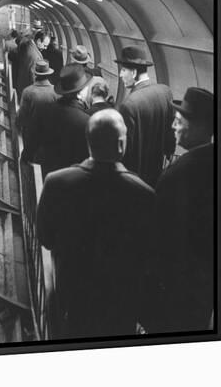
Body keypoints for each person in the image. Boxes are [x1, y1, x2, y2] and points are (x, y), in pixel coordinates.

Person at [37, 109, 156, 339]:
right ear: (121, 145)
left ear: (88, 141)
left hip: (72, 292)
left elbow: (45, 237)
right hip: (121, 300)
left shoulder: (56, 182)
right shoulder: (144, 195)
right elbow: (148, 253)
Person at [155, 87, 214, 333]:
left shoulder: (177, 175)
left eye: (179, 121)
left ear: (199, 127)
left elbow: (160, 239)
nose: (173, 126)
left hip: (176, 288)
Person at [115, 45, 175, 187]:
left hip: (135, 180)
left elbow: (126, 152)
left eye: (123, 70)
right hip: (157, 173)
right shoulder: (165, 92)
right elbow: (170, 132)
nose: (120, 75)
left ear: (134, 72)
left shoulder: (129, 105)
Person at [21, 63, 91, 177]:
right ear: (81, 92)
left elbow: (31, 142)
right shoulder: (86, 122)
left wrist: (26, 159)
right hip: (72, 180)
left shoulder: (44, 111)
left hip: (47, 174)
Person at [16, 60, 57, 147]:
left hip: (31, 137)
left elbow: (21, 117)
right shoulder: (56, 92)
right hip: (51, 137)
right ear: (48, 74)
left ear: (35, 74)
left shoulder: (27, 92)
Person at [16, 30, 50, 99]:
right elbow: (33, 78)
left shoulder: (28, 44)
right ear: (38, 41)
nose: (45, 48)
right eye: (45, 45)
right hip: (28, 91)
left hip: (21, 85)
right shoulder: (35, 57)